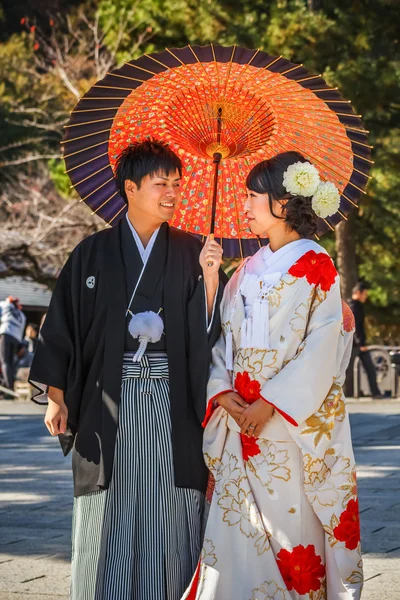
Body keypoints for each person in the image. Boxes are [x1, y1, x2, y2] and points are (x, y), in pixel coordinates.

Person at [29, 139, 225, 600]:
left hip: (171, 403)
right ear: (131, 188)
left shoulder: (194, 253)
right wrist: (55, 395)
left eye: (178, 183)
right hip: (105, 401)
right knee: (107, 507)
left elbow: (213, 338)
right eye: (162, 184)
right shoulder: (91, 253)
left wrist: (213, 282)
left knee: (169, 511)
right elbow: (63, 326)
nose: (174, 192)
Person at [185, 152, 362, 599]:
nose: (243, 205)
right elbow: (223, 339)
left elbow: (322, 348)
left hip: (286, 427)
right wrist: (222, 391)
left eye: (251, 196)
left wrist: (271, 403)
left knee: (290, 533)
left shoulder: (316, 264)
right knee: (234, 532)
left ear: (283, 202)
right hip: (239, 422)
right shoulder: (243, 270)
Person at [345, 282, 384, 399]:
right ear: (357, 293)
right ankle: (343, 393)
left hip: (359, 344)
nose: (365, 297)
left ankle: (375, 392)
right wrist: (361, 343)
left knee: (370, 367)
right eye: (364, 294)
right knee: (347, 370)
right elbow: (354, 326)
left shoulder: (357, 306)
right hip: (353, 345)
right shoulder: (353, 306)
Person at [0, 296, 26, 396]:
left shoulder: (4, 304)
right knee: (10, 362)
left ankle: (9, 386)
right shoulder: (21, 314)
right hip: (16, 337)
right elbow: (22, 329)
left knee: (4, 361)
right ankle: (9, 384)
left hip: (6, 333)